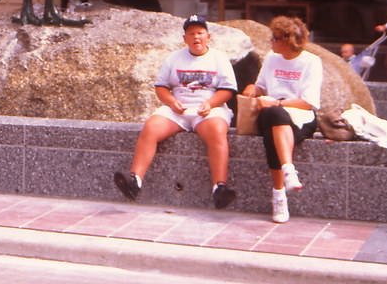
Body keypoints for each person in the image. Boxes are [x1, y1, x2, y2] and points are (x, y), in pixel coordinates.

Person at [113, 14, 238, 210]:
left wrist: (210, 104)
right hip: (179, 109)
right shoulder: (174, 58)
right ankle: (135, 180)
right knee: (151, 127)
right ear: (184, 38)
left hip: (208, 109)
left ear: (208, 36)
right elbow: (161, 87)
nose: (196, 37)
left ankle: (219, 187)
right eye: (191, 34)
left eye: (200, 33)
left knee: (216, 131)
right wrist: (171, 101)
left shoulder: (219, 58)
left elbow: (228, 90)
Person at [242, 16, 322, 224]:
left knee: (273, 124)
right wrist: (253, 89)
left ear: (288, 41)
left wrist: (278, 104)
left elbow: (309, 102)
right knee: (272, 117)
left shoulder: (311, 62)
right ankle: (288, 170)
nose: (271, 42)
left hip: (300, 116)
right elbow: (261, 86)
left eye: (275, 38)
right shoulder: (271, 58)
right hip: (272, 113)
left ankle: (278, 195)